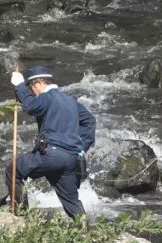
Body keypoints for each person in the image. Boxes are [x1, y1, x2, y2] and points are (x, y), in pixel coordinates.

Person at [5, 65, 96, 219]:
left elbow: (31, 107)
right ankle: (86, 235)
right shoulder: (70, 101)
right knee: (72, 201)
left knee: (14, 170)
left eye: (31, 86)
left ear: (39, 83)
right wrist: (81, 146)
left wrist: (20, 86)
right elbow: (90, 121)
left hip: (52, 156)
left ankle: (20, 216)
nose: (32, 91)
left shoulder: (47, 97)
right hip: (73, 159)